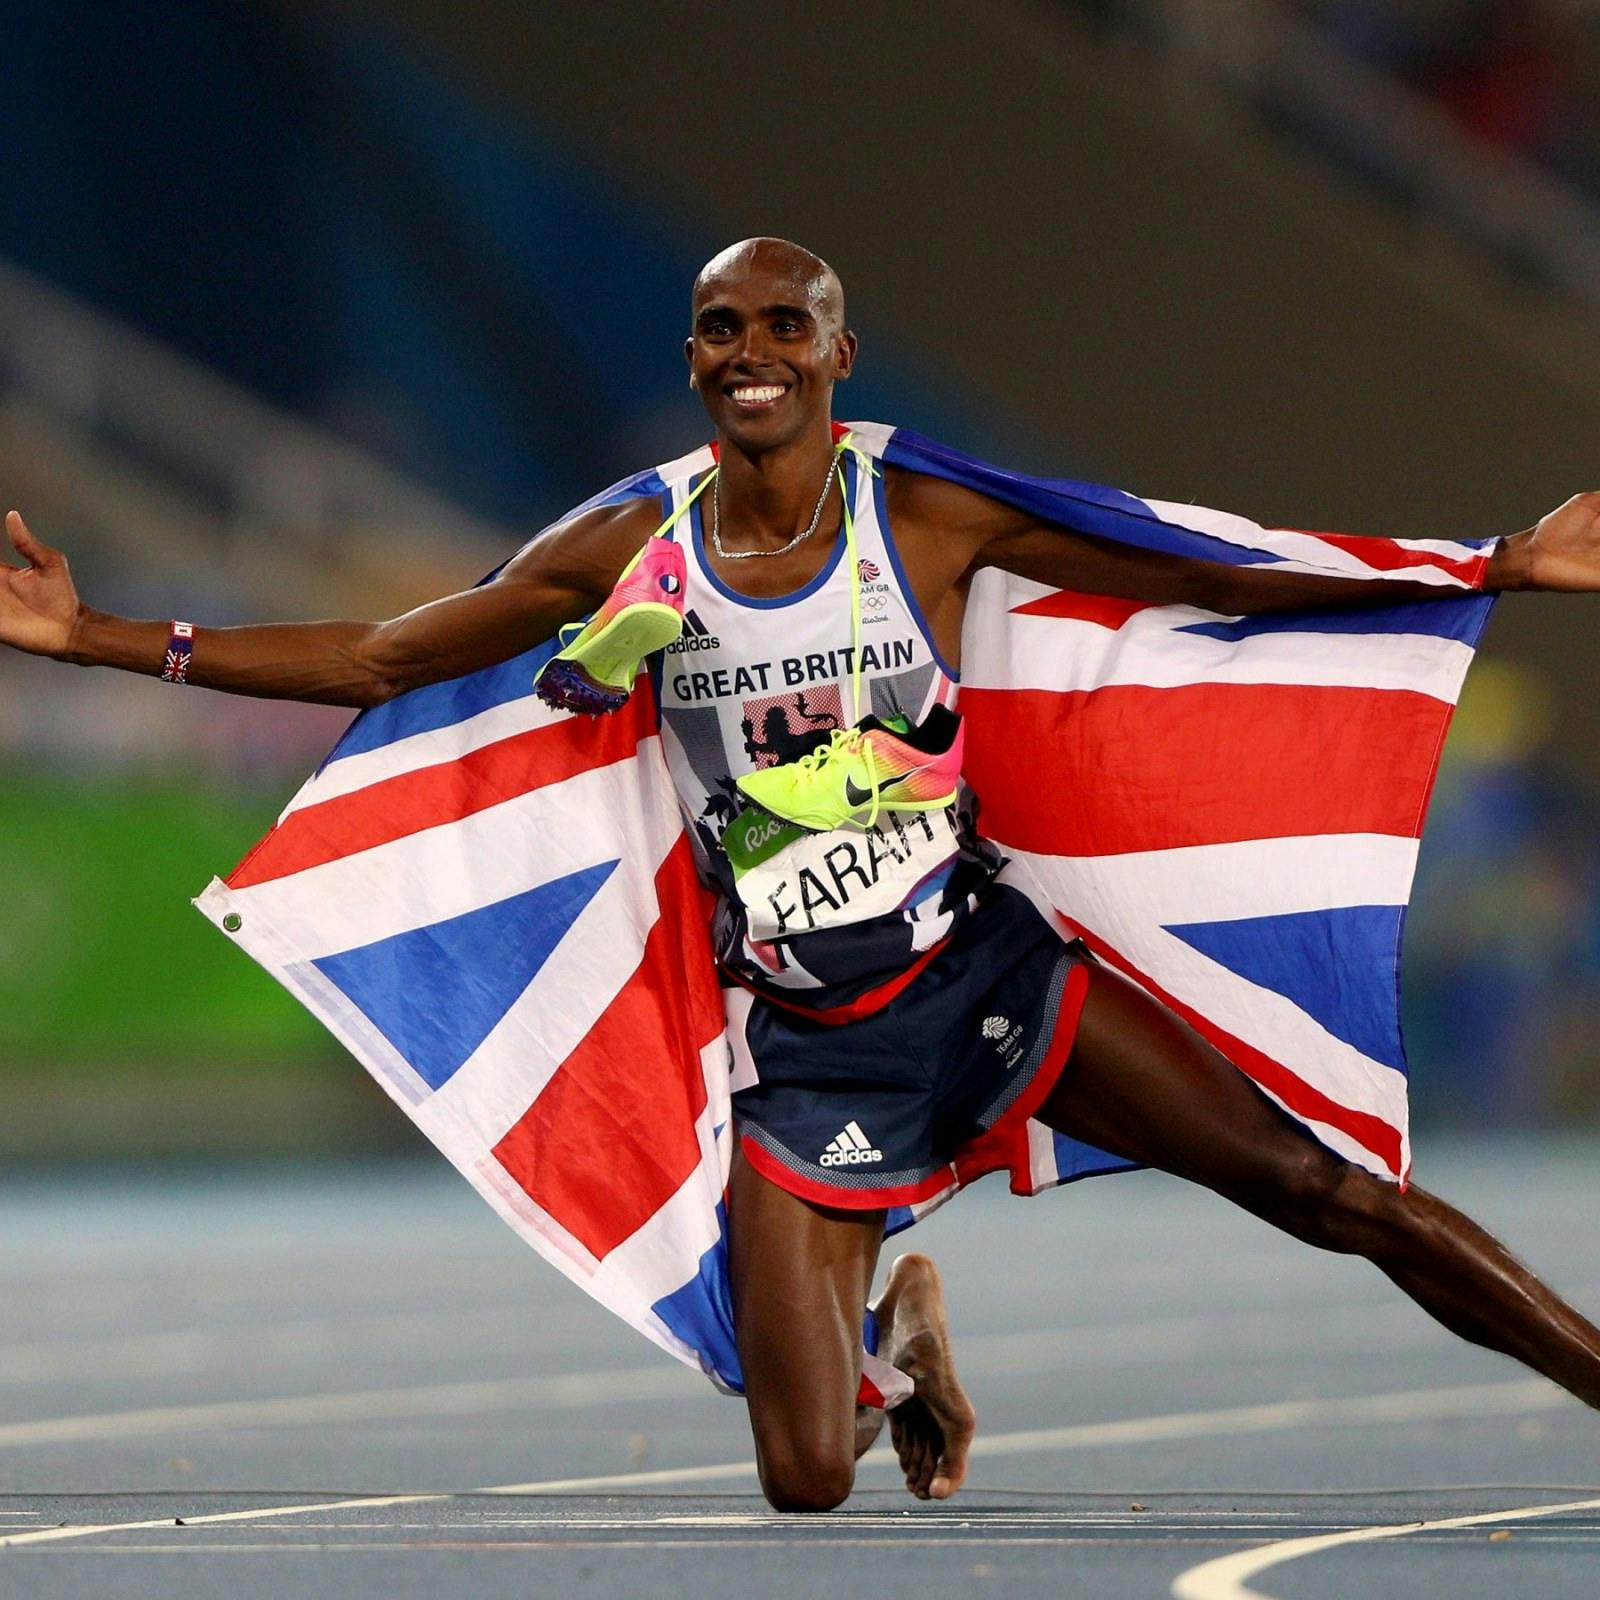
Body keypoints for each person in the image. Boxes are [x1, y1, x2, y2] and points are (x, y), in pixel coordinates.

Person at [7, 237, 1600, 1515]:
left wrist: (1491, 563)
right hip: (812, 1035)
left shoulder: (919, 508)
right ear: (694, 358)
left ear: (836, 354)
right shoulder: (630, 549)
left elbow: (1195, 562)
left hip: (987, 970)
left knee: (1329, 1193)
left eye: (785, 324)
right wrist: (98, 637)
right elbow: (377, 654)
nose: (750, 351)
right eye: (720, 328)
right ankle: (900, 1339)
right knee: (804, 1478)